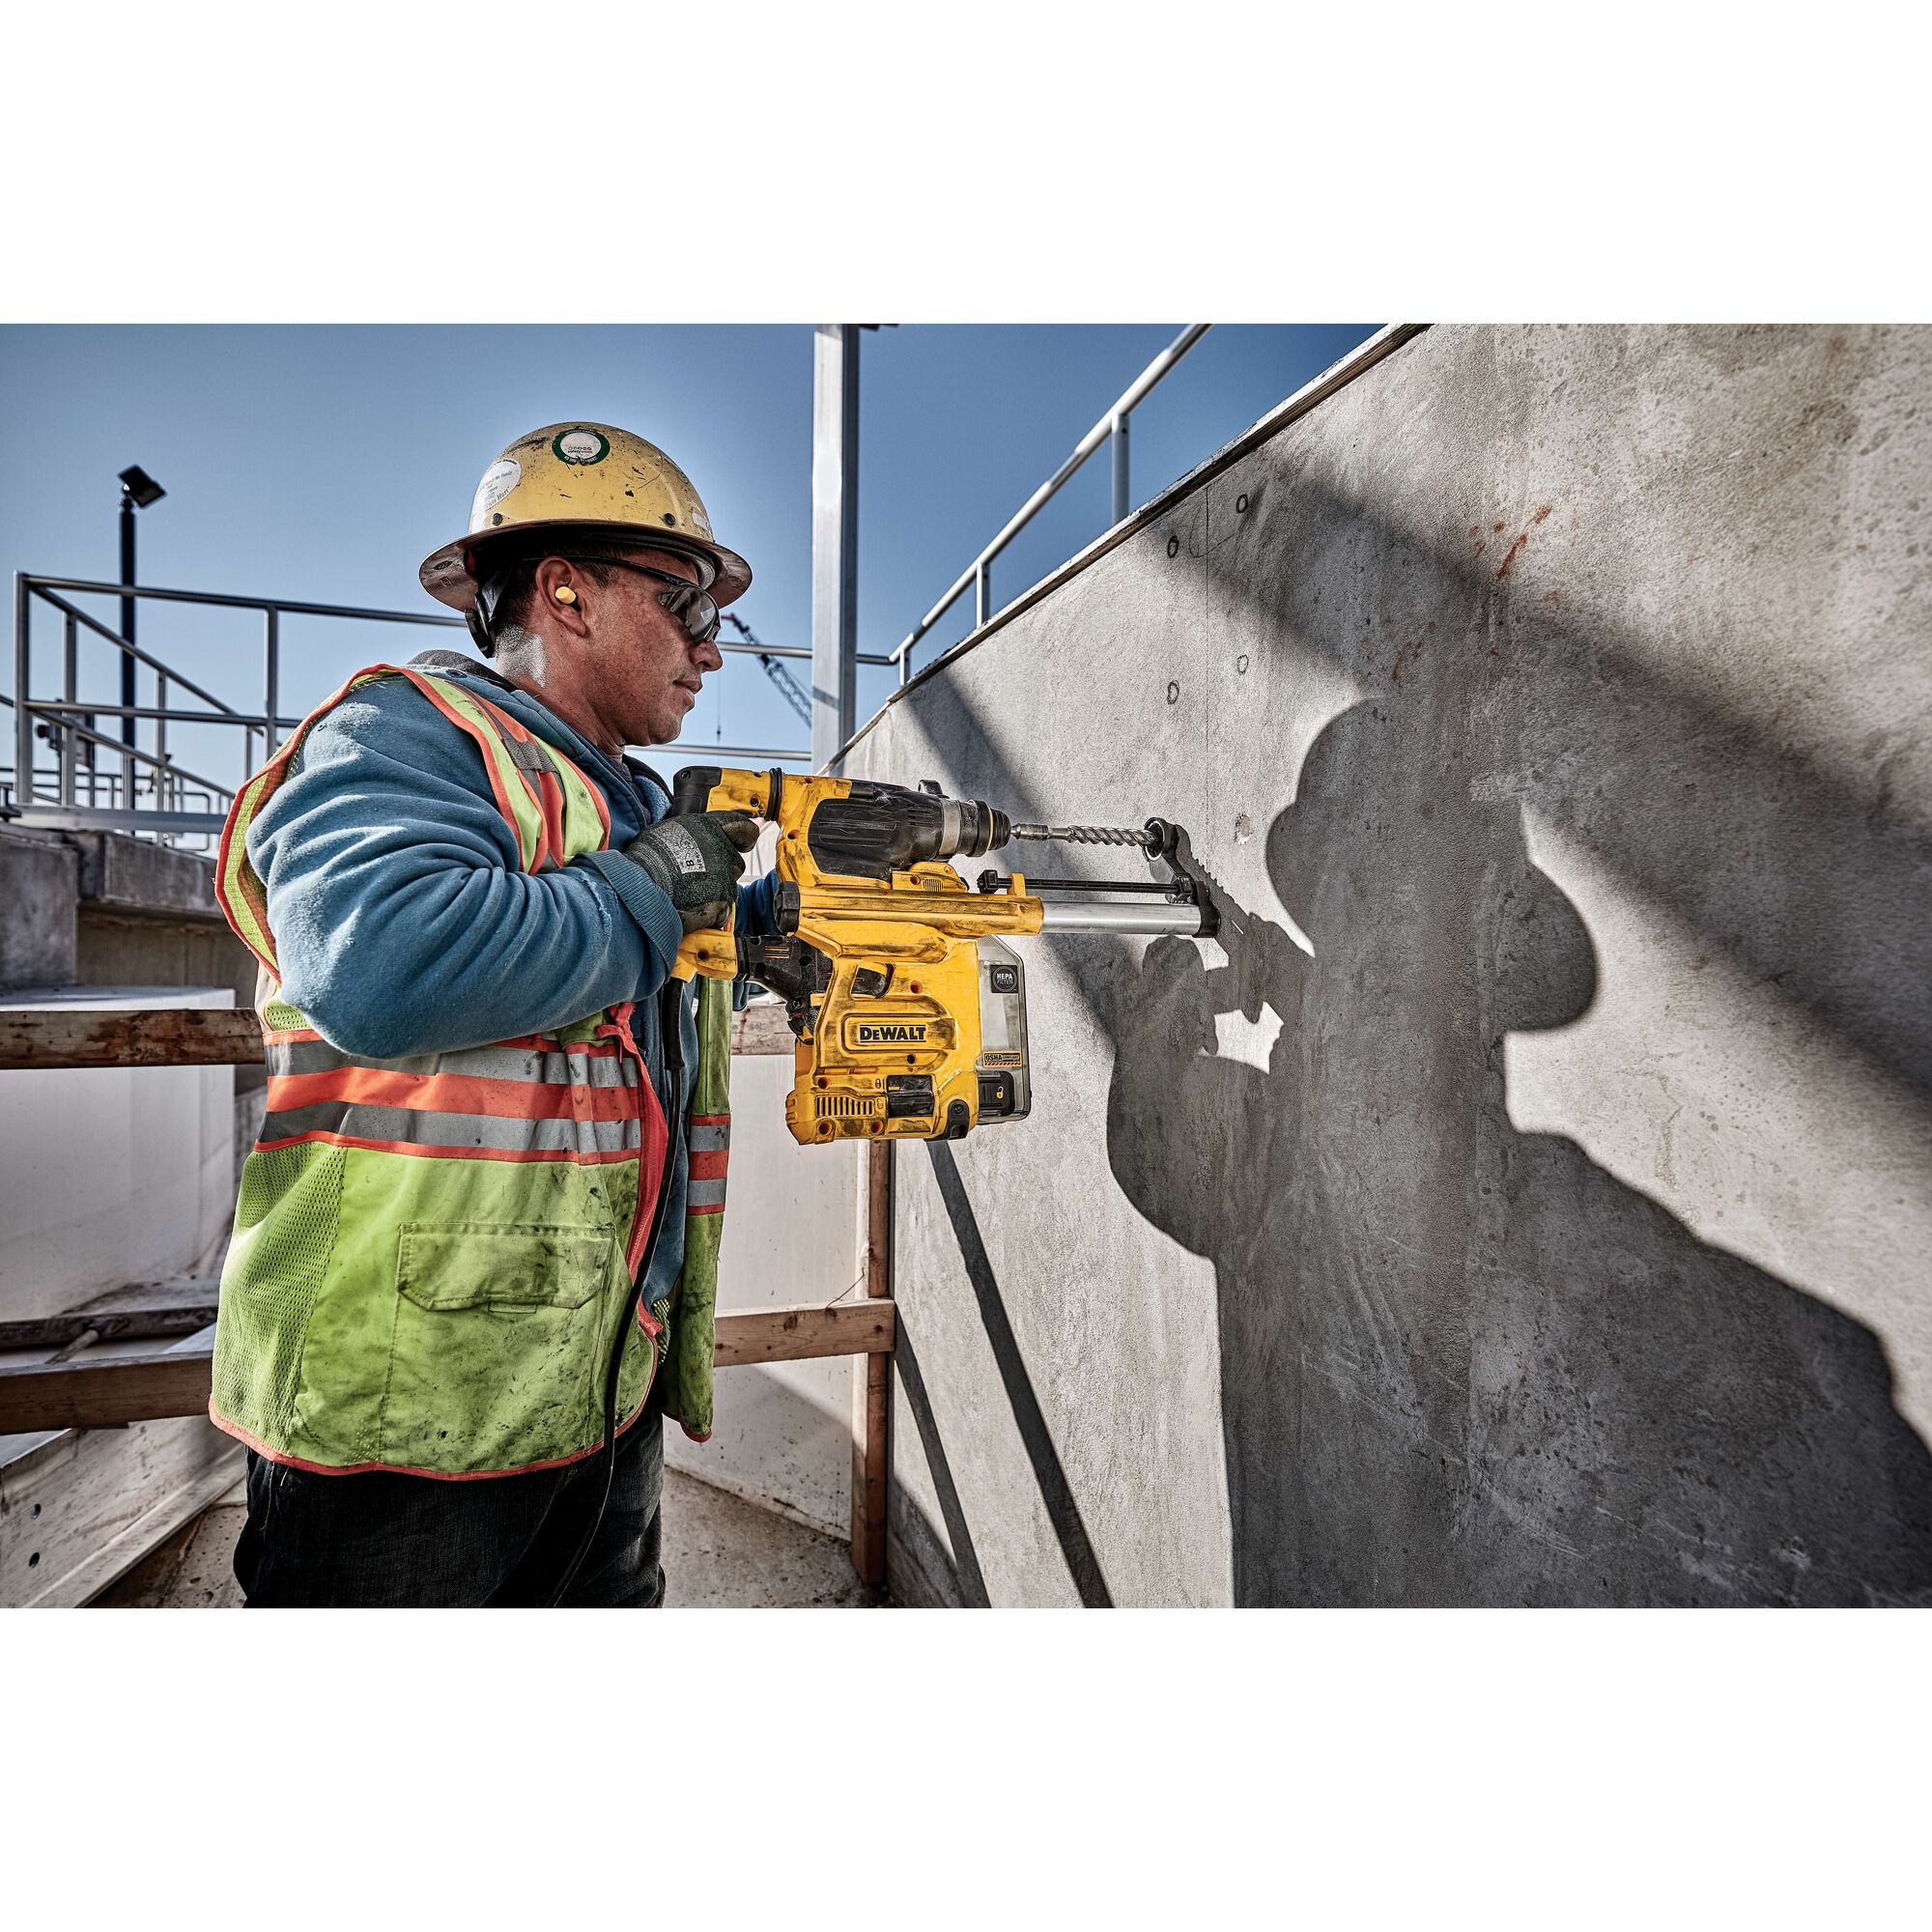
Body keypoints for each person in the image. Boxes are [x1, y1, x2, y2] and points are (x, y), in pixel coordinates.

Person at [208, 421, 771, 1606]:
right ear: (565, 592)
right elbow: (384, 964)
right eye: (690, 609)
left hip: (598, 1385)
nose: (711, 652)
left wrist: (760, 926)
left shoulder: (612, 799)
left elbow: (604, 1014)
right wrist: (661, 884)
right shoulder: (412, 733)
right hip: (402, 1416)